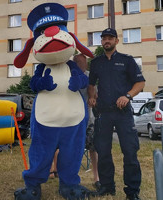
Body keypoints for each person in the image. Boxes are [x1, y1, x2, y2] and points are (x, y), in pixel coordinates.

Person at [88, 28, 145, 200]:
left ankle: (132, 191)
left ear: (116, 41)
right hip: (103, 114)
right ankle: (107, 187)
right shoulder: (96, 62)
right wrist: (92, 96)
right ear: (102, 41)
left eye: (110, 38)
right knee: (103, 151)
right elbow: (91, 84)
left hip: (123, 113)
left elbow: (140, 83)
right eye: (104, 38)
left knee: (129, 151)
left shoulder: (126, 61)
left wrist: (128, 96)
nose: (107, 41)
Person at [73, 54, 100, 189]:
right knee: (71, 149)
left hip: (89, 120)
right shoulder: (70, 76)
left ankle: (97, 178)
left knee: (93, 148)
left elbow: (96, 95)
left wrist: (93, 98)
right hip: (73, 121)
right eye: (78, 63)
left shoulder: (90, 77)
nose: (81, 66)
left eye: (83, 63)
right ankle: (71, 177)